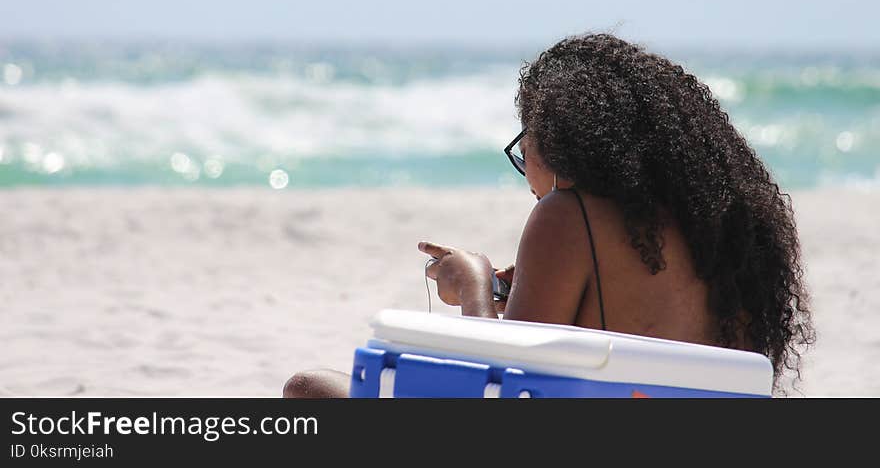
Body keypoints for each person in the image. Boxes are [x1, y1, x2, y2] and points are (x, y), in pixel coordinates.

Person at [283, 33, 814, 398]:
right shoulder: (731, 228)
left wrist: (471, 282)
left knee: (310, 388)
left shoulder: (569, 218)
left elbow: (504, 380)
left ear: (561, 139)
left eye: (525, 140)